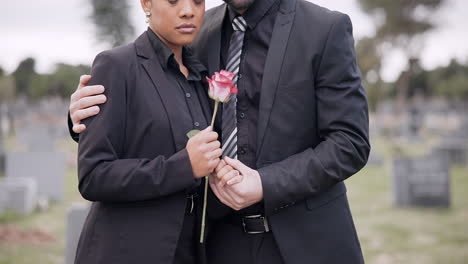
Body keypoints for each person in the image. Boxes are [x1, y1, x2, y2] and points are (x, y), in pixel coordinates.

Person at [69, 0, 371, 263]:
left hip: (305, 244)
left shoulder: (325, 28)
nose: (187, 9)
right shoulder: (197, 30)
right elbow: (157, 99)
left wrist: (266, 183)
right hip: (215, 245)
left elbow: (350, 142)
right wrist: (84, 119)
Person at [72, 0, 226, 263]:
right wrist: (184, 167)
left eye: (198, 1)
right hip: (127, 251)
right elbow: (93, 176)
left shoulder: (202, 78)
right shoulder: (116, 66)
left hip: (190, 249)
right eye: (174, 1)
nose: (188, 10)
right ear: (147, 3)